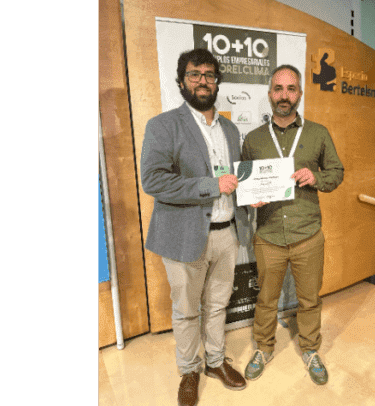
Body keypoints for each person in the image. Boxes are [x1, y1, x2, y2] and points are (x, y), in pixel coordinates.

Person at [140, 48, 251, 406]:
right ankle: (189, 370)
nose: (203, 81)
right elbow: (154, 180)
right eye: (194, 74)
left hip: (226, 234)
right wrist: (209, 186)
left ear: (217, 81)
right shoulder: (163, 125)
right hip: (184, 237)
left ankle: (215, 362)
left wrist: (253, 192)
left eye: (209, 74)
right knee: (187, 310)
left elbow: (238, 179)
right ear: (182, 80)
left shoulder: (231, 129)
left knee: (218, 305)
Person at [241, 65, 344, 385]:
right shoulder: (254, 139)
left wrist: (317, 177)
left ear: (299, 94)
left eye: (291, 89)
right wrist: (250, 197)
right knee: (266, 300)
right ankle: (263, 347)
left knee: (310, 299)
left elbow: (337, 173)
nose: (284, 96)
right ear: (270, 94)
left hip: (307, 235)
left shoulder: (318, 133)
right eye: (278, 89)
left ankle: (311, 350)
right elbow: (245, 183)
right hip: (269, 235)